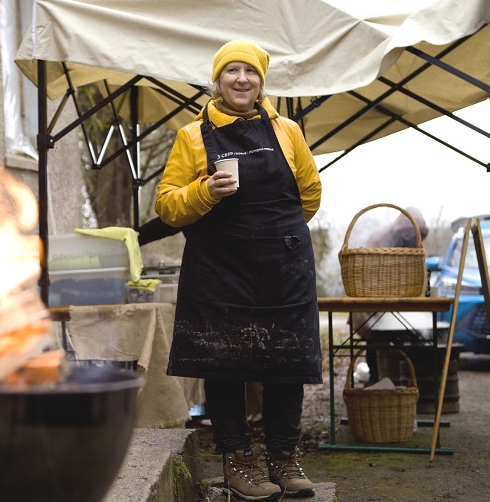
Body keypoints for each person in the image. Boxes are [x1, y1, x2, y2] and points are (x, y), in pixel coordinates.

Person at [155, 39, 322, 501]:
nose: (241, 80)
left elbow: (309, 194)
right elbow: (168, 206)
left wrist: (277, 237)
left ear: (261, 81)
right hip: (219, 268)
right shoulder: (192, 135)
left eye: (250, 72)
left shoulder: (288, 131)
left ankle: (283, 458)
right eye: (232, 71)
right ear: (218, 79)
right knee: (223, 361)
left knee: (286, 363)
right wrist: (206, 190)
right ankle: (238, 461)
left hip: (282, 267)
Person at [351, 206, 429, 382]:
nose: (413, 237)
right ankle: (377, 382)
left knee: (400, 337)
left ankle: (398, 381)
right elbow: (370, 275)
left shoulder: (408, 242)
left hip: (394, 303)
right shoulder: (380, 240)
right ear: (404, 229)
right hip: (372, 303)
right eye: (411, 233)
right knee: (376, 338)